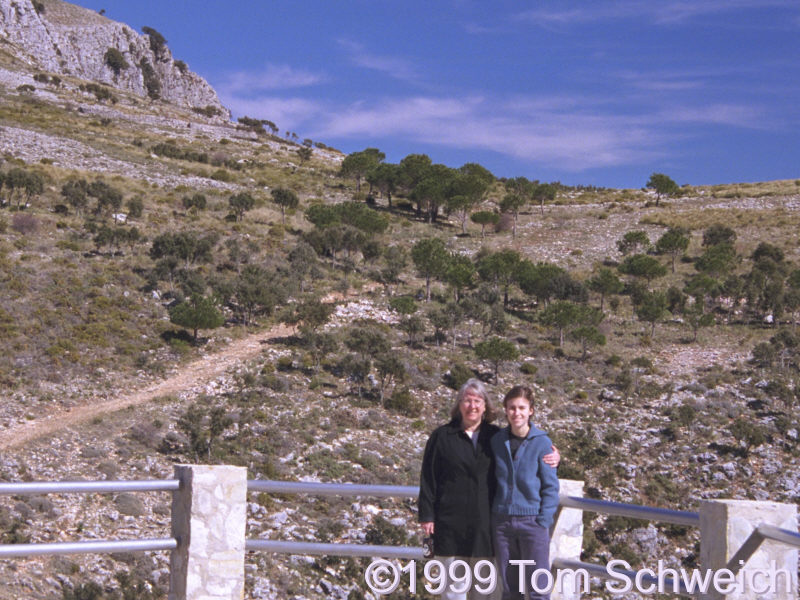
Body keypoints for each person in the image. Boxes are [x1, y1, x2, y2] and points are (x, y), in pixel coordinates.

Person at [418, 379, 559, 600]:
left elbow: (527, 444)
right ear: (458, 405)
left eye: (477, 401)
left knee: (486, 588)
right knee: (453, 589)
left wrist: (554, 455)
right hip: (450, 524)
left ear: (485, 407)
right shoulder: (442, 436)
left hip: (486, 526)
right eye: (467, 400)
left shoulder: (493, 436)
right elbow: (428, 477)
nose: (472, 406)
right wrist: (427, 516)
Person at [491, 385, 559, 600]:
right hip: (502, 523)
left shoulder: (542, 442)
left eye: (522, 407)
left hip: (533, 523)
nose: (516, 413)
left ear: (531, 410)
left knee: (538, 587)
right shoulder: (496, 441)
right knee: (511, 589)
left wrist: (544, 520)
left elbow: (550, 486)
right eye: (512, 408)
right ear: (505, 410)